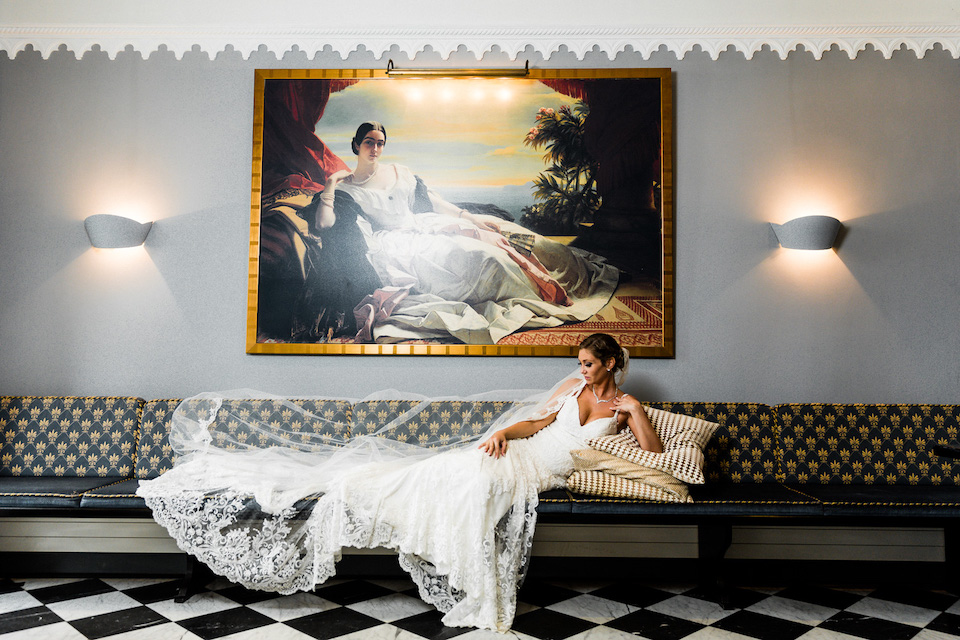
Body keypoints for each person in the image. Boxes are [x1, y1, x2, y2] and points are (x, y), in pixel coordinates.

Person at [136, 333, 661, 632]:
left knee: (478, 491)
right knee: (451, 472)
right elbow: (539, 422)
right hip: (519, 451)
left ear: (610, 363)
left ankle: (473, 584)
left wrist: (636, 410)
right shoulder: (571, 388)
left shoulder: (623, 405)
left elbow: (655, 453)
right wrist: (503, 432)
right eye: (580, 363)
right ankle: (371, 493)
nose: (582, 370)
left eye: (589, 364)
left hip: (542, 473)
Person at [314, 121, 620, 344]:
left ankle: (554, 282)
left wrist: (468, 217)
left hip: (426, 225)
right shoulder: (346, 189)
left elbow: (434, 202)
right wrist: (330, 183)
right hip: (399, 244)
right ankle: (534, 295)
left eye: (380, 143)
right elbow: (324, 225)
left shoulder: (399, 172)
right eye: (369, 142)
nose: (375, 148)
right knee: (482, 258)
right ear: (356, 145)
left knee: (510, 238)